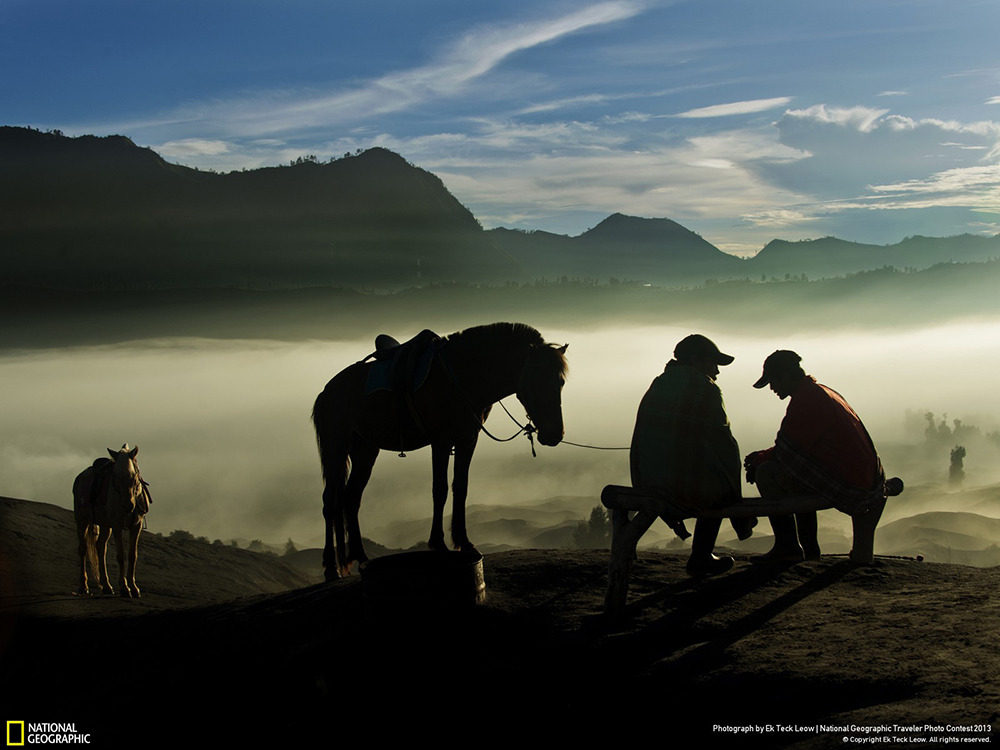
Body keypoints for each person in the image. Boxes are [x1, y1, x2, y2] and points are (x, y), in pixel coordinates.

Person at [630, 334, 755, 577]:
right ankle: (701, 556)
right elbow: (724, 445)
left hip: (648, 482)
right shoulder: (705, 388)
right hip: (681, 488)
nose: (717, 372)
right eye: (713, 363)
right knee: (718, 489)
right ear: (697, 361)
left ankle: (627, 548)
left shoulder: (659, 383)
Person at [745, 350, 886, 562]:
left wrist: (756, 461)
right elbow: (797, 449)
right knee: (795, 472)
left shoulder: (807, 400)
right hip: (866, 477)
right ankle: (809, 549)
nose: (772, 388)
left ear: (784, 375)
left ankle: (788, 546)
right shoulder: (821, 392)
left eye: (773, 381)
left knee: (766, 472)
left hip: (850, 483)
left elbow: (786, 450)